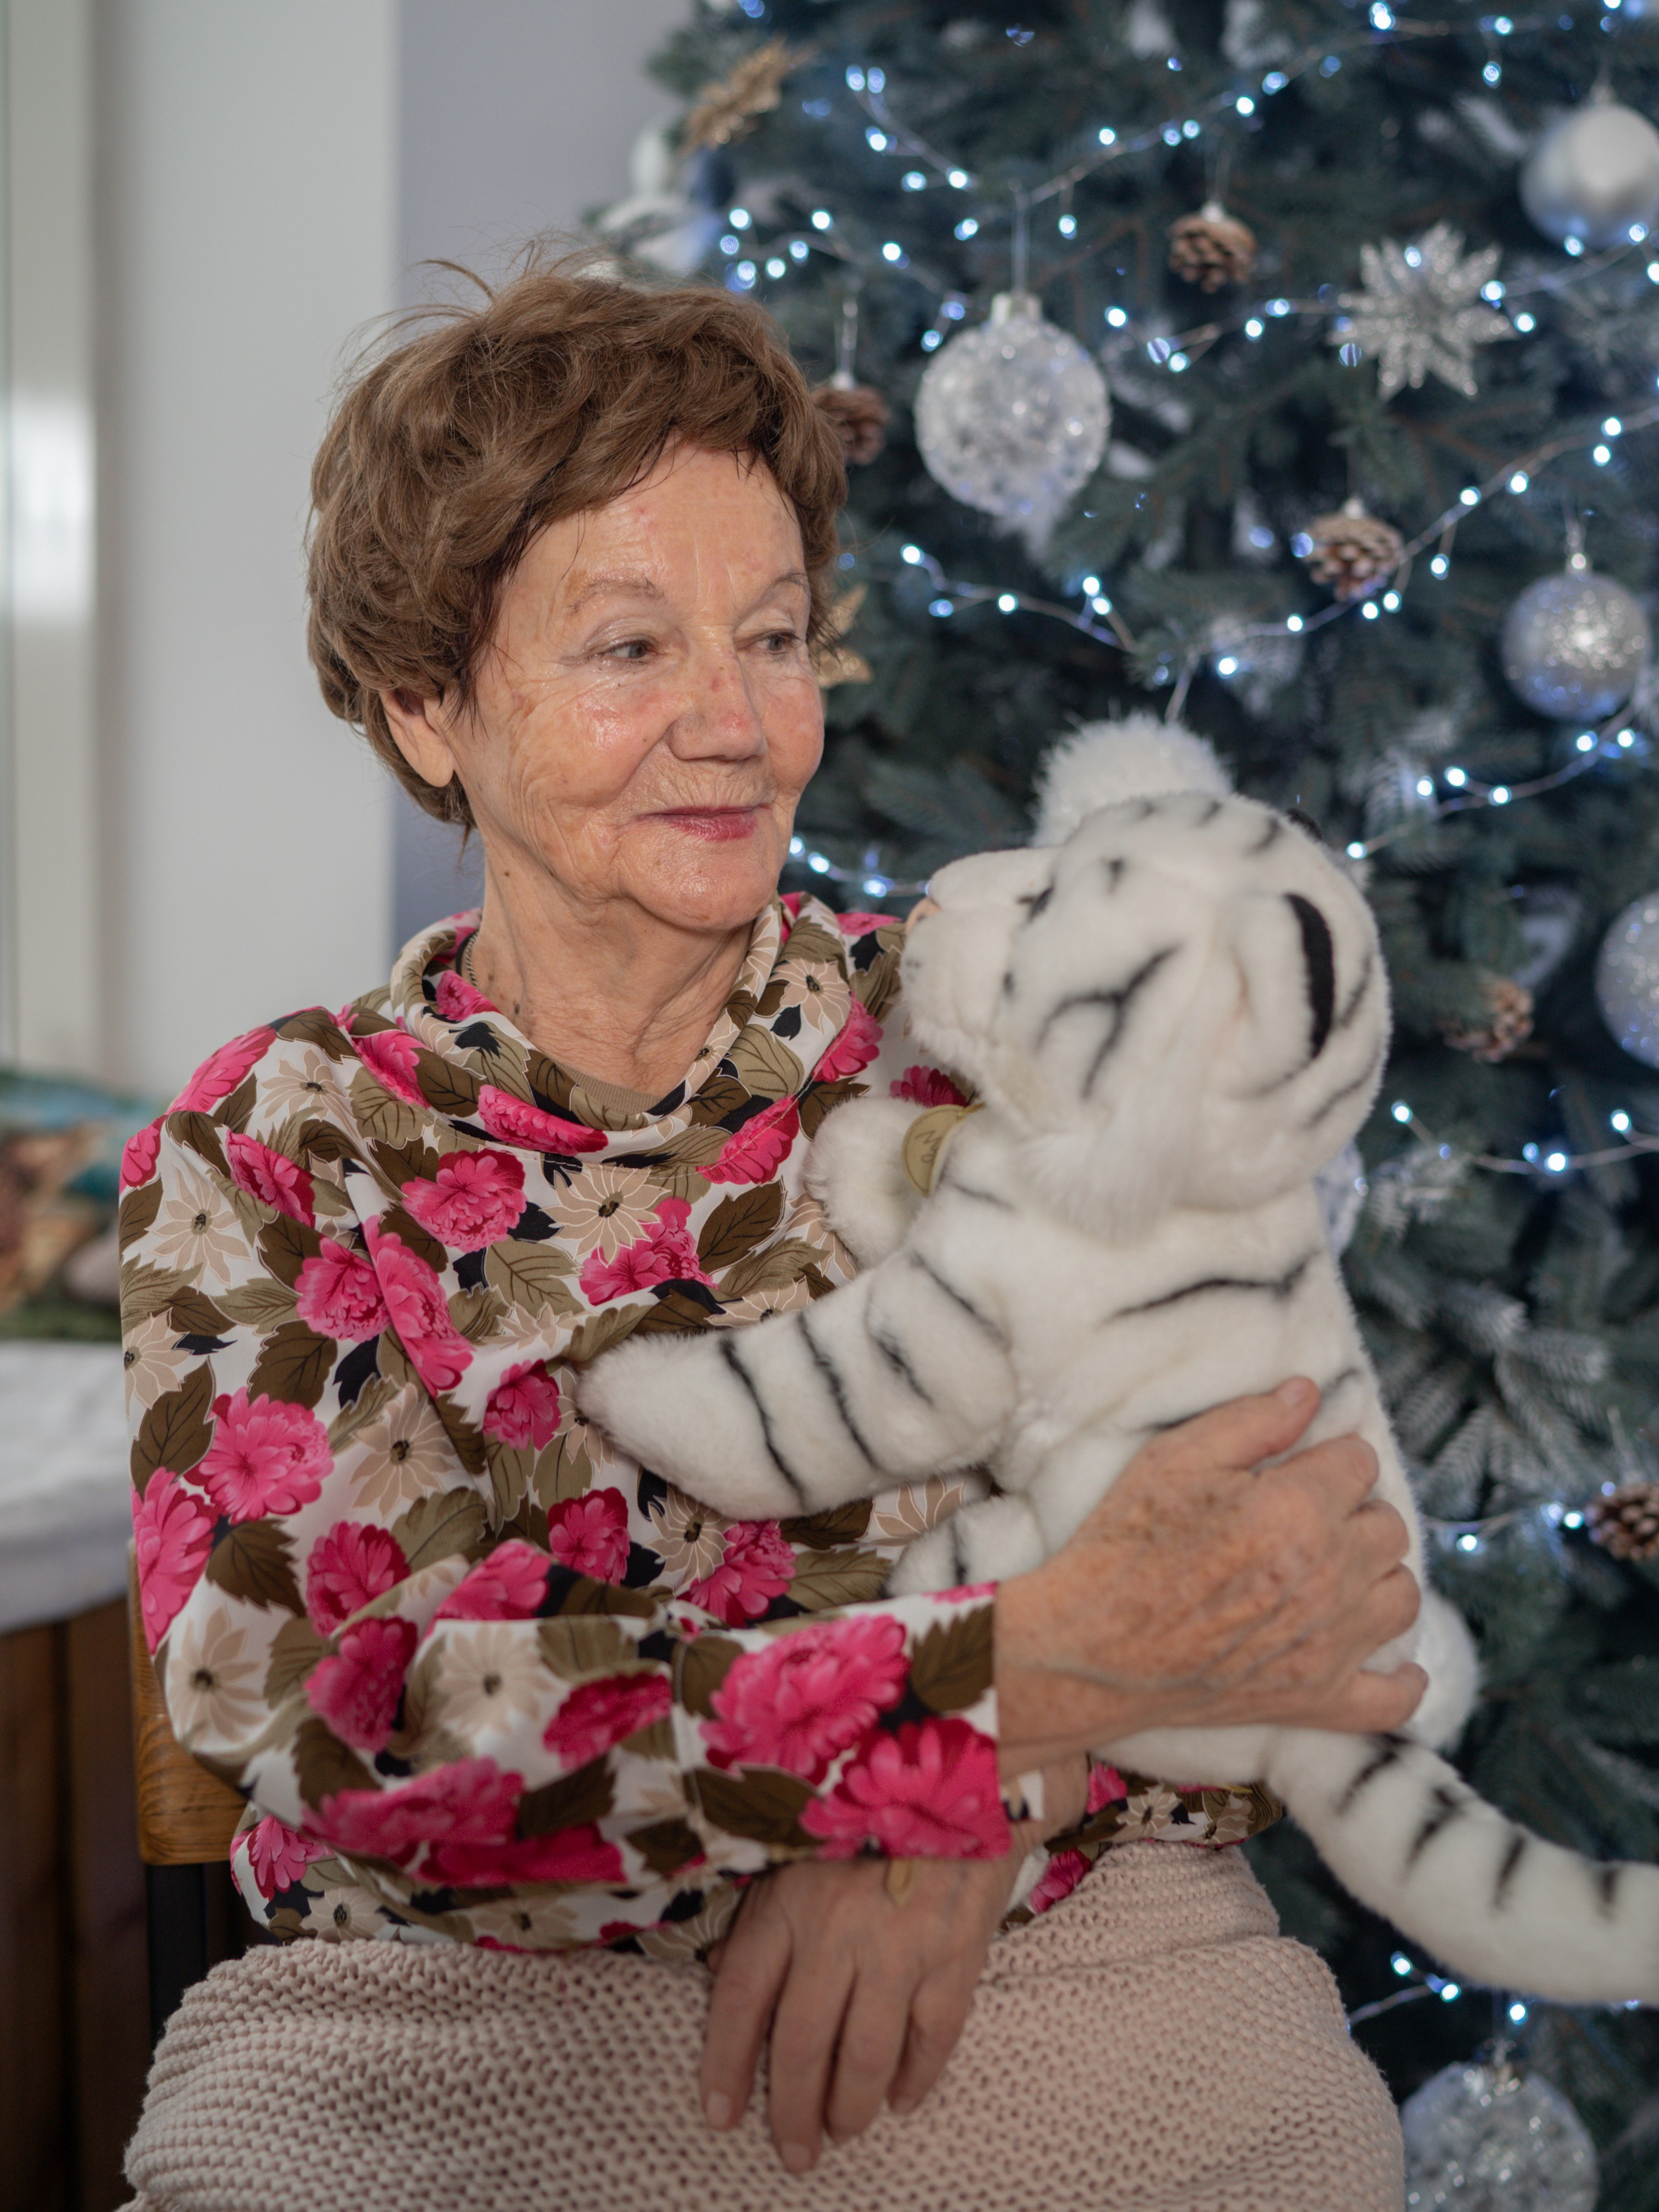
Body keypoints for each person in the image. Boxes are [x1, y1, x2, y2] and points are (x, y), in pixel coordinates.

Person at [121, 255, 1422, 2212]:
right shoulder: (279, 1141)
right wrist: (998, 1686)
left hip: (1061, 1984)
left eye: (776, 635)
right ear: (426, 706)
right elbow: (345, 1726)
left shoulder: (1000, 1033)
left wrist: (960, 1816)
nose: (737, 723)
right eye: (631, 648)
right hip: (464, 2035)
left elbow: (1299, 1551)